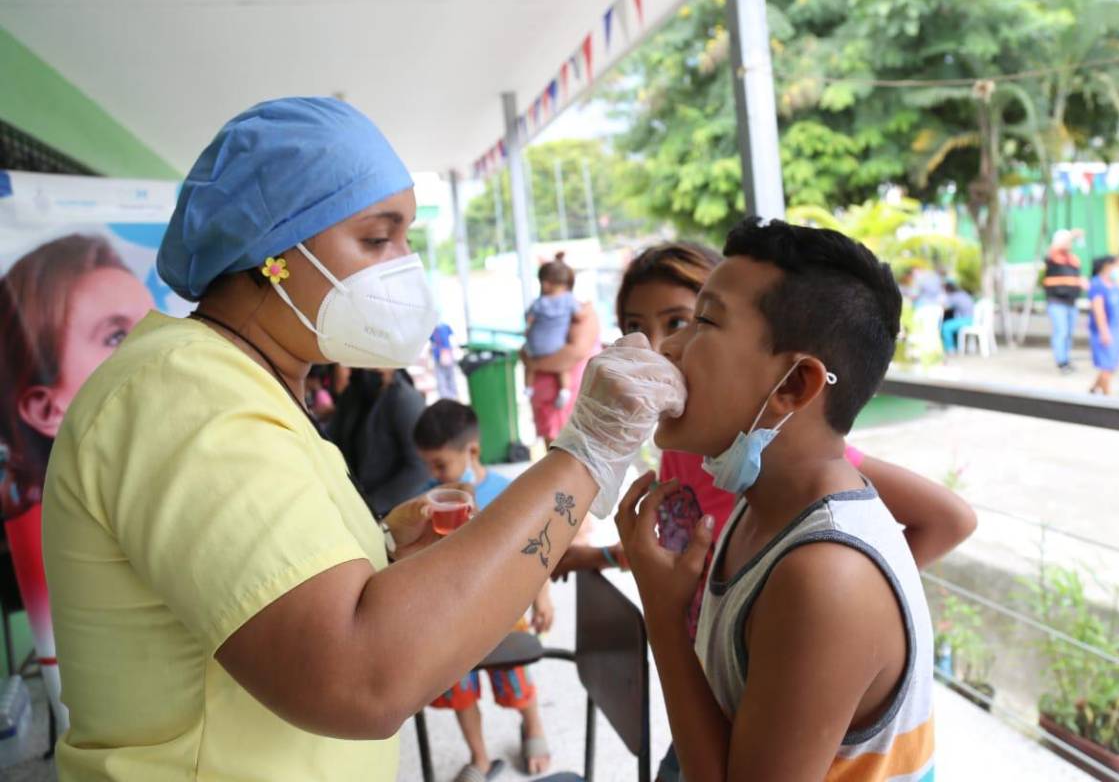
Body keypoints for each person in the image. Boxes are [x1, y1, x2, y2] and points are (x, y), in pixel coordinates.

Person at [40, 97, 684, 781]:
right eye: (377, 240)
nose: (402, 267)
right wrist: (586, 449)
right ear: (273, 254)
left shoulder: (244, 384)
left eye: (405, 239)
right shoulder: (186, 397)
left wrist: (377, 551)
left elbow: (269, 590)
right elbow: (359, 679)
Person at [554, 239, 974, 780]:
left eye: (699, 322)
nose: (663, 350)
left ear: (794, 384)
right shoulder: (758, 509)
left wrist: (662, 610)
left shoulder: (825, 578)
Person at [0, 233, 155, 734]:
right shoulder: (56, 529)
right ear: (46, 406)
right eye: (116, 337)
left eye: (158, 327)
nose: (162, 351)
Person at [414, 399, 553, 780]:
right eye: (427, 464)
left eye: (440, 464)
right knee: (460, 689)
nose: (433, 474)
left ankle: (534, 726)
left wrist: (542, 595)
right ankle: (479, 758)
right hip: (451, 620)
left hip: (504, 614)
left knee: (516, 679)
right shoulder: (426, 500)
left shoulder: (507, 492)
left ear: (472, 450)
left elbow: (536, 547)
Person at [329, 366, 431, 518]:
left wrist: (369, 506)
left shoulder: (404, 400)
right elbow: (333, 441)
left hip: (390, 511)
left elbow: (421, 468)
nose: (368, 369)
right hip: (354, 502)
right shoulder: (353, 394)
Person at [523, 254, 583, 415]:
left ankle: (527, 388)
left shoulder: (539, 302)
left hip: (534, 345)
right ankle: (565, 391)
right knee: (562, 369)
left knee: (529, 366)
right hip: (555, 345)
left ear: (545, 283)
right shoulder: (569, 300)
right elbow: (578, 316)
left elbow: (528, 317)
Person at [1042, 228, 1087, 374]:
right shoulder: (1053, 257)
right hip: (1056, 301)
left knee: (1068, 333)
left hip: (1071, 302)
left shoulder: (1073, 259)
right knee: (1061, 332)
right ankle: (1061, 362)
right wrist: (1071, 235)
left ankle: (1066, 359)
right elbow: (1055, 248)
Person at [1087, 256, 1119, 396]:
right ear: (1106, 266)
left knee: (1113, 365)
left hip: (1116, 329)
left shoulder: (1113, 284)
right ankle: (1108, 398)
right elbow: (1098, 310)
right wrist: (1104, 332)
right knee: (1107, 366)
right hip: (1104, 330)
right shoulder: (1097, 284)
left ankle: (1093, 389)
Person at [941, 280, 975, 353]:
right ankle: (955, 345)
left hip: (966, 320)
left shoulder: (954, 296)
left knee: (945, 326)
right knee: (950, 323)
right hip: (972, 318)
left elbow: (945, 307)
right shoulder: (963, 293)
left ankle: (950, 349)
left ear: (947, 289)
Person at [431, 322, 460, 399]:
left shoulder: (434, 329)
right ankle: (451, 396)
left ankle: (447, 397)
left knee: (444, 377)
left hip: (443, 354)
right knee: (447, 377)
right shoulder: (443, 327)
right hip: (444, 354)